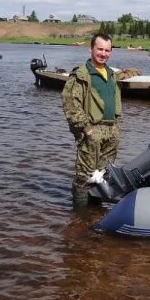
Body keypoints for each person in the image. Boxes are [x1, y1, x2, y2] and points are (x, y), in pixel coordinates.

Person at [62, 33, 132, 207]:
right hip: (92, 131)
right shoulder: (81, 75)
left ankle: (94, 211)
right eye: (100, 49)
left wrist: (116, 128)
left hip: (111, 131)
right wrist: (86, 129)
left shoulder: (110, 74)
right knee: (84, 176)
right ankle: (79, 218)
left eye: (107, 50)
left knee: (102, 175)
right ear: (91, 49)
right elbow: (71, 105)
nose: (103, 53)